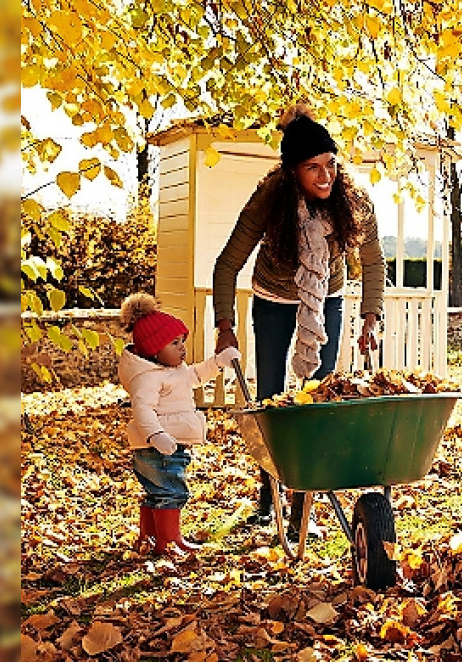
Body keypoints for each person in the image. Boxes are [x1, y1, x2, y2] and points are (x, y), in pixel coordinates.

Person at [213, 103, 386, 534]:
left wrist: (370, 316)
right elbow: (226, 266)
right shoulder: (268, 202)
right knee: (272, 398)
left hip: (325, 297)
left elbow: (373, 260)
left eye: (330, 164)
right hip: (273, 299)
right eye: (313, 168)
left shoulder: (353, 201)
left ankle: (301, 508)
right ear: (292, 172)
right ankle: (267, 495)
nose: (325, 176)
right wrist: (224, 328)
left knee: (315, 400)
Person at [119, 293, 242, 557]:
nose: (182, 348)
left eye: (182, 341)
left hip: (168, 444)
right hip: (158, 448)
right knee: (171, 492)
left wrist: (218, 362)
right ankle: (169, 541)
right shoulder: (147, 378)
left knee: (158, 493)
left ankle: (151, 538)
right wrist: (156, 436)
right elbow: (142, 410)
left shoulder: (173, 370)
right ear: (154, 349)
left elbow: (196, 375)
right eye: (174, 343)